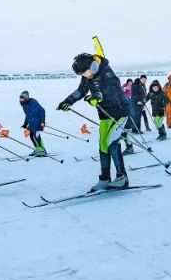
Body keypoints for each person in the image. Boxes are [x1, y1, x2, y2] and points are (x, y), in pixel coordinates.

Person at [59, 53, 132, 191]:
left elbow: (113, 89)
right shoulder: (87, 75)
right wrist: (68, 101)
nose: (85, 76)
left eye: (85, 73)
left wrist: (98, 97)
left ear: (92, 66)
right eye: (82, 74)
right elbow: (81, 91)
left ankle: (122, 178)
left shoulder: (106, 71)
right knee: (103, 144)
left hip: (119, 112)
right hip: (104, 114)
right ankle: (105, 179)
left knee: (112, 142)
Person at [19, 91, 48, 156]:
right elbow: (27, 115)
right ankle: (38, 149)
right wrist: (25, 123)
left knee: (36, 136)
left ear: (26, 98)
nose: (21, 101)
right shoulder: (24, 105)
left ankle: (43, 150)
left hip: (38, 122)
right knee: (32, 136)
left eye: (22, 99)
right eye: (20, 99)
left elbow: (42, 111)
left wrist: (42, 121)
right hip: (32, 122)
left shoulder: (33, 102)